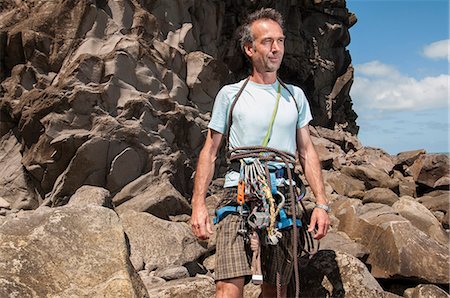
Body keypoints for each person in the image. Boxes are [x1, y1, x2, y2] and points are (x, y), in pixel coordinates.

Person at [191, 8, 330, 298]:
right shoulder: (232, 94)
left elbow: (306, 151)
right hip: (237, 192)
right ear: (249, 48)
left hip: (284, 195)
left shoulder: (295, 96)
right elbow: (210, 151)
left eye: (280, 40)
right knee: (227, 287)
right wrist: (198, 205)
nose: (276, 48)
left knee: (277, 288)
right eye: (267, 41)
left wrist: (321, 204)